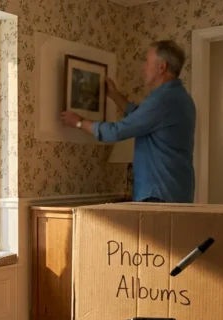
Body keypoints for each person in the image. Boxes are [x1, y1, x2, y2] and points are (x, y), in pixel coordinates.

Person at [60, 40, 196, 203]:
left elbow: (116, 131)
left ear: (162, 67)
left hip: (158, 196)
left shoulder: (162, 100)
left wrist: (79, 122)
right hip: (175, 193)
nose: (143, 68)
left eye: (147, 62)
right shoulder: (182, 98)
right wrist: (115, 96)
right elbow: (141, 118)